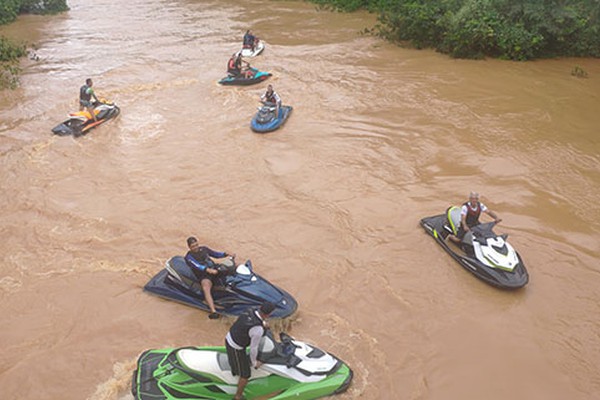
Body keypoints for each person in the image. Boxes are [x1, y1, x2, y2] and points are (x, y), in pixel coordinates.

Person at [225, 302, 275, 400]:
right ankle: (238, 396)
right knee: (246, 375)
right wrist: (255, 363)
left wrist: (263, 324)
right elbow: (253, 348)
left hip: (230, 336)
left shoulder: (250, 309)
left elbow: (251, 321)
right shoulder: (257, 329)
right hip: (235, 347)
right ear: (268, 314)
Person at [184, 236, 233, 319]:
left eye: (196, 245)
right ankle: (213, 311)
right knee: (206, 288)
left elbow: (215, 254)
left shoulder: (204, 249)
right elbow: (197, 265)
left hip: (214, 268)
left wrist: (225, 254)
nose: (195, 247)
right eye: (193, 246)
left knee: (233, 268)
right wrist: (207, 269)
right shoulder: (188, 257)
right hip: (203, 274)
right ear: (189, 247)